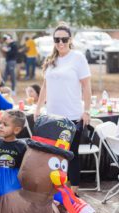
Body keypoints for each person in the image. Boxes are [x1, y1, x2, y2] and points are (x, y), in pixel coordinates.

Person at [34, 22, 91, 196]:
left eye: (64, 39)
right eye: (57, 39)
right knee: (53, 155)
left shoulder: (78, 58)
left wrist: (86, 110)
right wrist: (38, 109)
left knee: (71, 155)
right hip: (52, 118)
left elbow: (87, 86)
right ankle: (56, 190)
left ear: (70, 40)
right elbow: (44, 86)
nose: (60, 43)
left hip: (72, 117)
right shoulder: (51, 60)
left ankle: (73, 194)